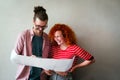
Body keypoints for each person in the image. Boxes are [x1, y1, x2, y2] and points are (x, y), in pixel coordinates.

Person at [11, 6, 50, 80]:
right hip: (24, 77)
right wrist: (29, 60)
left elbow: (48, 58)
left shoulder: (47, 38)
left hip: (41, 77)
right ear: (33, 21)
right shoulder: (23, 35)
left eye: (44, 26)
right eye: (38, 26)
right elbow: (14, 58)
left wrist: (47, 68)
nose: (40, 29)